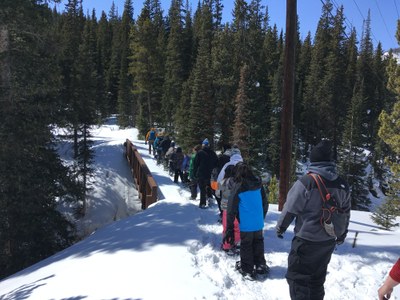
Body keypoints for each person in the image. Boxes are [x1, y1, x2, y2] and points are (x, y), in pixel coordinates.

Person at [276, 140, 351, 300]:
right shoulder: (342, 184)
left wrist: (281, 227)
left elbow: (290, 208)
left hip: (306, 241)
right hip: (327, 242)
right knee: (317, 281)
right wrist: (341, 234)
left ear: (314, 160)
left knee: (298, 280)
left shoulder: (306, 182)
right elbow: (345, 213)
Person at [224, 162, 269, 280]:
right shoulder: (258, 183)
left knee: (246, 244)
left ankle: (247, 269)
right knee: (258, 241)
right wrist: (261, 216)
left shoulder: (239, 186)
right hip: (258, 220)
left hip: (246, 222)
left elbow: (230, 209)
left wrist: (229, 228)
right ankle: (260, 265)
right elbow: (265, 203)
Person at [217, 164, 240, 255]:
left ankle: (227, 245)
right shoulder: (239, 182)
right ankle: (237, 243)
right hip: (237, 208)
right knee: (236, 226)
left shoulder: (223, 182)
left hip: (226, 207)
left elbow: (217, 193)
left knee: (227, 227)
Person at [193, 138, 218, 208]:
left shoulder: (200, 153)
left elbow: (195, 164)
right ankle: (210, 199)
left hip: (202, 174)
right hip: (211, 174)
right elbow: (216, 163)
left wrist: (195, 173)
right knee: (210, 187)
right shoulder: (213, 153)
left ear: (203, 145)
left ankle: (203, 203)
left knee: (202, 189)